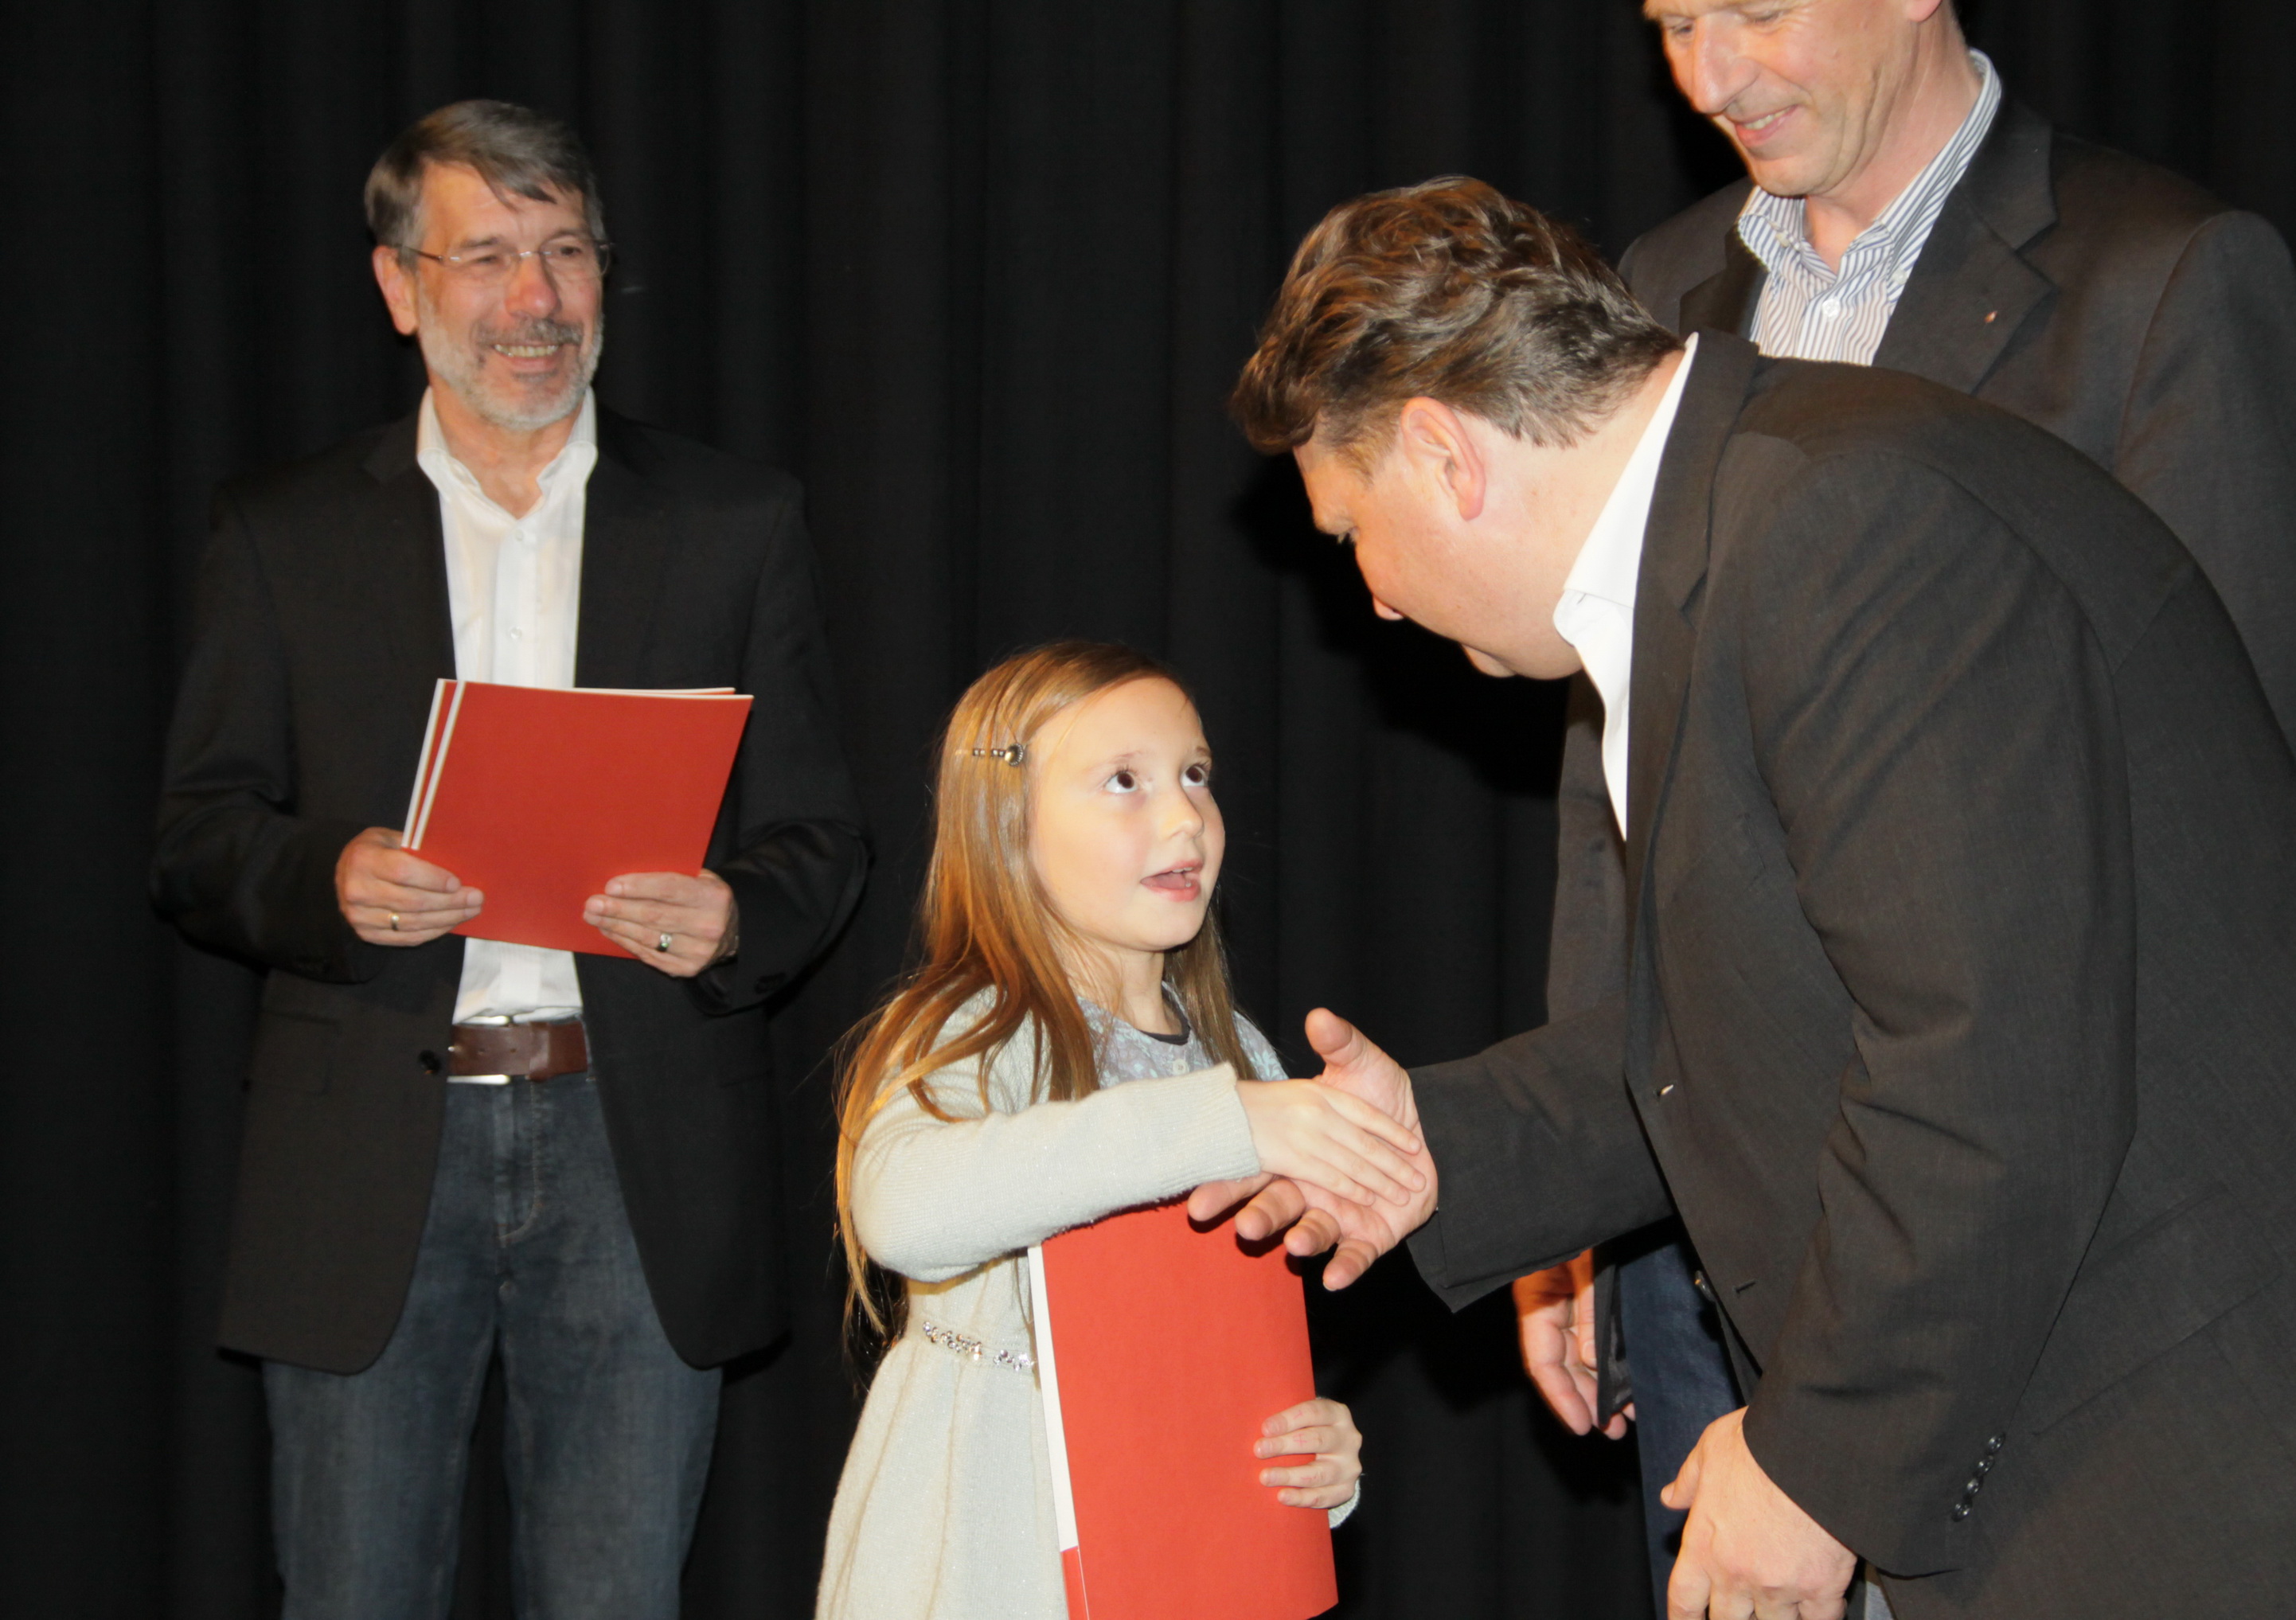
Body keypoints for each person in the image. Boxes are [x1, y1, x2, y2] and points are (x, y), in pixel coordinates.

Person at [1202, 177, 2296, 1619]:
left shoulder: (1841, 523)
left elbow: (1989, 1064)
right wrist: (1432, 1146)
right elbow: (1765, 1020)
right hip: (2098, 1429)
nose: (1375, 597)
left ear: (1442, 454)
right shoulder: (1751, 519)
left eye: (1351, 533)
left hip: (2202, 1451)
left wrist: (1813, 1466)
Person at [1513, 2, 2296, 1603]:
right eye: (1673, 22)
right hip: (1718, 1255)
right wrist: (1574, 1181)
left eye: (1755, 9)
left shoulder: (2160, 284)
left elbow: (2263, 847)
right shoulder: (1656, 292)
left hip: (2065, 1277)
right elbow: (1609, 800)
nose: (1710, 77)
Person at [150, 101, 869, 1618]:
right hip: (366, 1158)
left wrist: (734, 914)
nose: (536, 299)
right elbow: (198, 835)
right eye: (486, 256)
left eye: (566, 252)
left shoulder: (734, 522)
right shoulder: (283, 532)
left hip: (635, 1145)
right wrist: (326, 880)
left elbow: (821, 840)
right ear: (399, 286)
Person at [816, 642, 1406, 1619]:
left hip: (1174, 1563)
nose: (1184, 817)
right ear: (1008, 825)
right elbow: (906, 1211)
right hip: (986, 1565)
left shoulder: (1239, 1056)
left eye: (1195, 775)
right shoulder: (974, 1032)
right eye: (1124, 781)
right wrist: (1222, 1122)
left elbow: (1222, 1353)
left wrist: (1311, 1461)